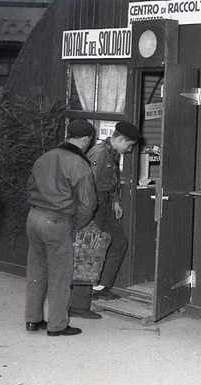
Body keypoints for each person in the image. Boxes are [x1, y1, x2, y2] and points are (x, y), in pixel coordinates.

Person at [25, 119, 97, 336]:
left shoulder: (45, 157)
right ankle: (57, 325)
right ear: (86, 140)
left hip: (34, 217)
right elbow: (88, 203)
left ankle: (32, 319)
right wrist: (77, 224)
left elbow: (29, 186)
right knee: (60, 275)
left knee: (36, 271)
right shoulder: (79, 164)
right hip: (57, 221)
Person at [71, 120, 140, 312]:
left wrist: (116, 201)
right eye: (129, 145)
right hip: (94, 205)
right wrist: (89, 213)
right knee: (89, 249)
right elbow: (87, 186)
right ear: (120, 139)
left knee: (119, 243)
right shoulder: (100, 154)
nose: (129, 150)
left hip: (105, 204)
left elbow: (111, 180)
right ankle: (80, 300)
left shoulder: (112, 153)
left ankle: (100, 287)